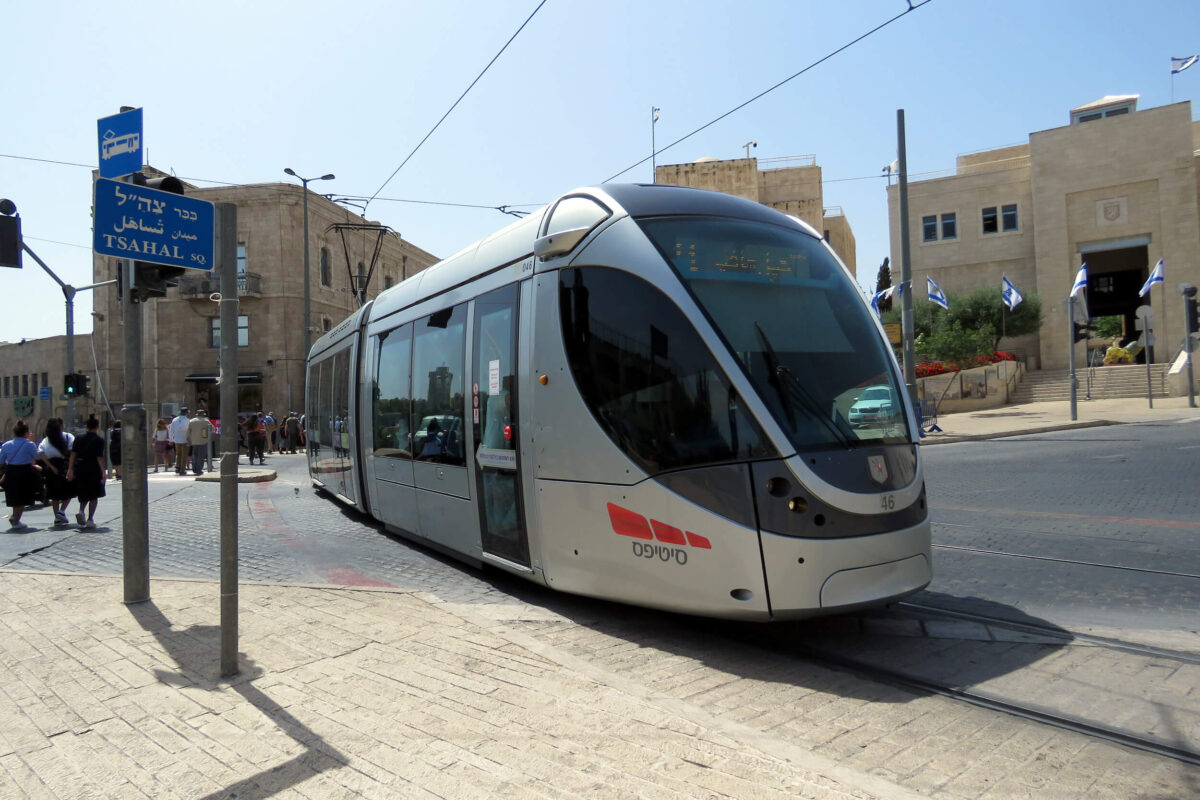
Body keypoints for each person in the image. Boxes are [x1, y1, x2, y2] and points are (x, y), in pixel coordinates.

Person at [67, 415, 106, 530]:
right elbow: (99, 458)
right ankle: (90, 519)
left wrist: (70, 469)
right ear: (97, 427)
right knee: (94, 494)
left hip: (81, 467)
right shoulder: (99, 440)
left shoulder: (78, 438)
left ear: (86, 426)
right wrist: (103, 472)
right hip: (94, 468)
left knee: (83, 492)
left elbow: (72, 455)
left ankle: (81, 511)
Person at [0, 420, 40, 531]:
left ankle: (15, 518)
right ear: (26, 432)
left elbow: (1, 460)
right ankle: (15, 519)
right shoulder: (29, 444)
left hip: (11, 471)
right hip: (24, 471)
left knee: (14, 496)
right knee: (23, 497)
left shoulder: (6, 445)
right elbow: (37, 457)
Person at [37, 418, 75, 526]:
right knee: (70, 490)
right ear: (62, 426)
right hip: (64, 465)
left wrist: (50, 466)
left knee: (54, 494)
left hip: (51, 468)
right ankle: (61, 511)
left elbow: (40, 452)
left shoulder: (46, 439)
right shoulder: (68, 437)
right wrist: (71, 467)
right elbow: (73, 452)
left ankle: (57, 516)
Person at [186, 408, 213, 476]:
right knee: (201, 456)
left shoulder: (191, 421)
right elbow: (212, 429)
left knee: (194, 455)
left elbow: (188, 431)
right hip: (203, 440)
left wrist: (188, 439)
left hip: (193, 441)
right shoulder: (206, 421)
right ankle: (199, 469)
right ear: (203, 415)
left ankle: (194, 468)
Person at [168, 407, 190, 475]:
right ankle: (182, 469)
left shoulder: (174, 420)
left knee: (178, 453)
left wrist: (171, 439)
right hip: (185, 439)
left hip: (177, 439)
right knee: (184, 455)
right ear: (186, 413)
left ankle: (177, 466)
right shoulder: (187, 420)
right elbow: (189, 430)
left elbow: (171, 430)